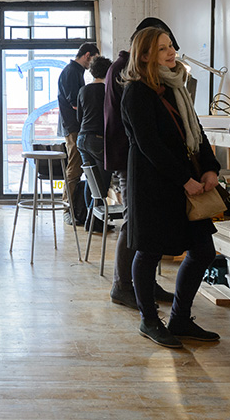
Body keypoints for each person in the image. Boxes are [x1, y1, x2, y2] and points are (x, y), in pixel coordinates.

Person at [121, 27, 221, 349]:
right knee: (149, 251)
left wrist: (210, 168)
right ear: (145, 55)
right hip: (154, 185)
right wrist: (185, 179)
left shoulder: (176, 86)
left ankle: (179, 318)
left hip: (186, 181)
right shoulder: (137, 92)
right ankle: (149, 320)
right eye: (162, 49)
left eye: (171, 47)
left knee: (203, 251)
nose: (171, 52)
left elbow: (197, 132)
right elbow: (150, 145)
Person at [103, 18, 179, 309]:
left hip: (129, 154)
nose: (170, 53)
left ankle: (142, 282)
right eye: (164, 48)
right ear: (144, 49)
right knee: (134, 222)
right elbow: (143, 125)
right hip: (130, 157)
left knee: (140, 222)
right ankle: (122, 285)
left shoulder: (121, 68)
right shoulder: (128, 71)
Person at [58, 42, 99, 225]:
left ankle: (73, 208)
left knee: (76, 167)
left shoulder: (75, 72)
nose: (93, 65)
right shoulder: (72, 72)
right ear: (87, 55)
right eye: (94, 59)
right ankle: (67, 209)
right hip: (73, 127)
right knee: (74, 168)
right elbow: (75, 103)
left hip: (75, 126)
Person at [75, 55, 113, 231]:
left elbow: (79, 117)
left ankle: (88, 219)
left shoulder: (83, 90)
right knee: (102, 184)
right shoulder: (107, 91)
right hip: (98, 139)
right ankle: (94, 221)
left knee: (90, 180)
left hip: (82, 138)